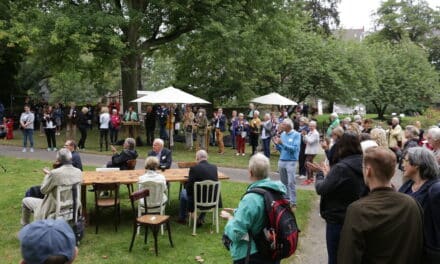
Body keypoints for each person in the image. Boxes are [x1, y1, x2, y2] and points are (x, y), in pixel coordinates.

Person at [338, 147, 424, 264]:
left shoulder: (358, 210)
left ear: (368, 171)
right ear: (393, 172)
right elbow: (419, 246)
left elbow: (347, 257)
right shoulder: (411, 204)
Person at [309, 131, 366, 264]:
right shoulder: (364, 163)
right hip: (358, 216)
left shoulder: (341, 168)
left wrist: (320, 175)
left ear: (342, 147)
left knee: (334, 257)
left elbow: (321, 188)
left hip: (338, 218)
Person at [220, 153, 286, 264]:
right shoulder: (277, 191)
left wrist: (230, 219)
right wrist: (238, 212)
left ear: (250, 172)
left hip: (253, 254)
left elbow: (236, 234)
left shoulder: (251, 199)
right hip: (272, 249)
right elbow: (264, 214)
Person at [399, 147, 440, 263]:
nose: (402, 164)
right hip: (409, 245)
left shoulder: (436, 190)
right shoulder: (408, 184)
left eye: (405, 160)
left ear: (417, 164)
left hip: (426, 252)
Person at [21, 148, 82, 225]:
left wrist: (48, 175)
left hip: (53, 207)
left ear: (58, 159)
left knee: (25, 201)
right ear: (70, 158)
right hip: (72, 206)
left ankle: (26, 226)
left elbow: (43, 190)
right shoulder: (78, 172)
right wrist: (51, 174)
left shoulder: (54, 174)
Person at [178, 150, 219, 225]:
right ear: (207, 157)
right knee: (206, 192)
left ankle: (182, 218)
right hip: (212, 199)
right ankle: (201, 218)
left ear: (197, 158)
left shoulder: (194, 168)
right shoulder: (214, 167)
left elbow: (189, 187)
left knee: (183, 193)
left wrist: (187, 189)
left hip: (197, 200)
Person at [273, 118, 301, 207]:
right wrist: (277, 144)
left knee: (291, 182)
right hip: (282, 160)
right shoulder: (283, 135)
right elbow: (282, 150)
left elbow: (294, 149)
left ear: (288, 125)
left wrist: (283, 144)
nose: (281, 126)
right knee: (283, 182)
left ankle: (293, 202)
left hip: (291, 161)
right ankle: (285, 199)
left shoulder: (296, 135)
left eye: (283, 124)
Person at [303, 120, 320, 184]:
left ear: (315, 126)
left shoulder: (316, 133)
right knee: (310, 164)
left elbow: (310, 141)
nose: (310, 127)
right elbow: (305, 141)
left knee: (307, 164)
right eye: (309, 126)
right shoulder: (310, 132)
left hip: (312, 151)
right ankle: (311, 178)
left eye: (312, 126)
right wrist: (304, 136)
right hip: (309, 150)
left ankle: (309, 179)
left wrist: (305, 135)